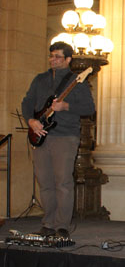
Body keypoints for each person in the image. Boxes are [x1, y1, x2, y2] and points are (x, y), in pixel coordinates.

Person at [22, 42, 95, 239]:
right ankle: (48, 223)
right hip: (40, 137)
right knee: (45, 183)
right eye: (51, 56)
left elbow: (89, 108)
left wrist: (67, 107)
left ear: (68, 59)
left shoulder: (77, 82)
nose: (53, 60)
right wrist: (31, 121)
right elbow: (27, 102)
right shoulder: (40, 79)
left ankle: (62, 226)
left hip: (65, 136)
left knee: (62, 183)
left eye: (58, 57)